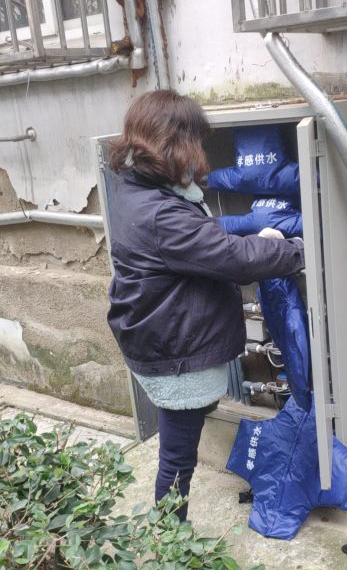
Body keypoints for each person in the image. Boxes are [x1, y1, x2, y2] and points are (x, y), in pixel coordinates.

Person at [107, 90, 305, 521]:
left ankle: (169, 535)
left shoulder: (135, 189)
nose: (200, 150)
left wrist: (253, 239)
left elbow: (202, 243)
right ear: (177, 143)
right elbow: (231, 256)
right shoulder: (162, 212)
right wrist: (296, 250)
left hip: (157, 335)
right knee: (178, 459)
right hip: (173, 354)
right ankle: (170, 540)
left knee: (178, 444)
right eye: (195, 139)